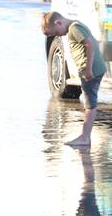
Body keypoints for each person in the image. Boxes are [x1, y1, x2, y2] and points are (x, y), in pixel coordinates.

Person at [41, 11, 105, 148]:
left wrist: (88, 69)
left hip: (90, 71)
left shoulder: (74, 28)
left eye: (56, 32)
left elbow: (90, 45)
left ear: (58, 22)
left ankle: (85, 137)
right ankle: (84, 136)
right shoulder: (76, 26)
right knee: (90, 103)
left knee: (90, 104)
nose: (58, 36)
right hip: (92, 69)